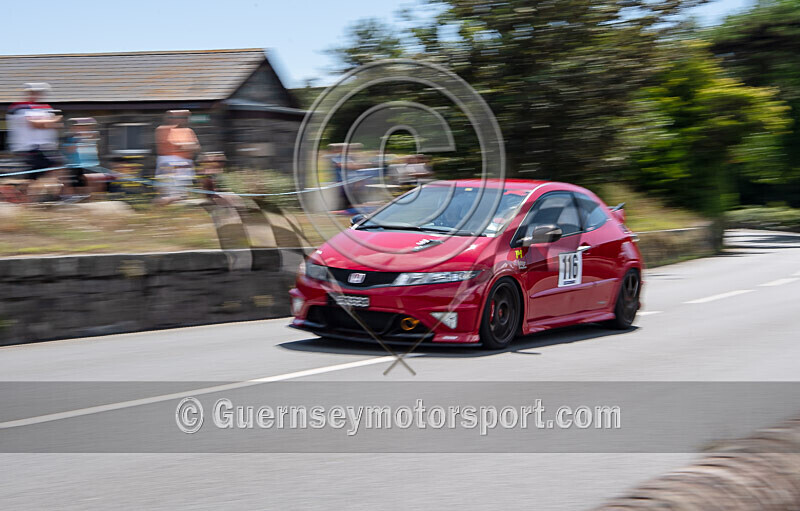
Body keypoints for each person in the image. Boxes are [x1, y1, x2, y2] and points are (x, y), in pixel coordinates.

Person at [5, 83, 63, 180]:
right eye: (33, 92)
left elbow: (51, 125)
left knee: (57, 168)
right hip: (28, 148)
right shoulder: (19, 107)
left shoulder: (46, 108)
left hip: (45, 149)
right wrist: (52, 121)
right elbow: (34, 124)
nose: (36, 95)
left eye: (39, 92)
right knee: (35, 176)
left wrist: (49, 123)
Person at [154, 110, 200, 204]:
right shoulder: (163, 130)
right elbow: (172, 145)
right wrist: (186, 146)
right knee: (169, 194)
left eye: (185, 117)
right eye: (181, 117)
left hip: (185, 167)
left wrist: (183, 146)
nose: (184, 120)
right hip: (171, 167)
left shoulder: (188, 131)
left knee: (182, 195)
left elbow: (197, 146)